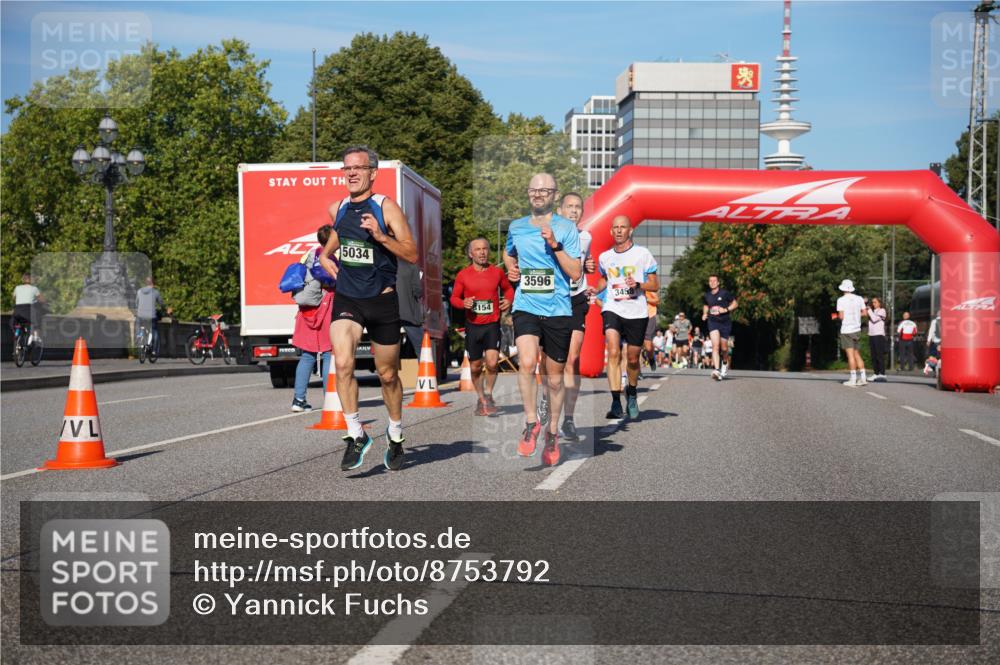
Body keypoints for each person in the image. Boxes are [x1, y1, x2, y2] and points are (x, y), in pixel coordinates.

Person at [318, 145, 418, 473]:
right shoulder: (341, 206)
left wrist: (380, 236)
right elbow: (339, 236)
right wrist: (323, 256)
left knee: (388, 374)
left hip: (382, 300)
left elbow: (411, 253)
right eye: (346, 168)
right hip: (348, 298)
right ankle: (355, 433)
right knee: (343, 362)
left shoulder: (385, 208)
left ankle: (396, 433)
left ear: (372, 173)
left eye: (358, 168)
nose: (351, 173)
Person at [502, 173, 582, 466]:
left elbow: (576, 273)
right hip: (526, 304)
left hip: (559, 308)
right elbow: (508, 253)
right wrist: (512, 269)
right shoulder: (517, 227)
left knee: (555, 379)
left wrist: (556, 245)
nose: (537, 194)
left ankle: (552, 433)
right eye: (533, 190)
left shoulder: (567, 227)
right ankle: (531, 422)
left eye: (544, 190)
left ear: (553, 195)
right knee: (525, 361)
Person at [595, 215, 659, 419]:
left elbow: (655, 284)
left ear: (630, 230)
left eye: (623, 227)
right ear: (611, 232)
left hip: (637, 311)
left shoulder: (642, 254)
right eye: (616, 228)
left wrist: (638, 285)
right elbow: (604, 280)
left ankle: (631, 392)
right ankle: (615, 402)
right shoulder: (605, 257)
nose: (619, 230)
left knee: (632, 358)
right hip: (613, 307)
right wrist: (592, 292)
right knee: (613, 350)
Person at [450, 237, 514, 416]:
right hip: (473, 326)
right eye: (478, 249)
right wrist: (464, 303)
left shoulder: (497, 272)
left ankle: (488, 394)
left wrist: (508, 300)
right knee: (475, 366)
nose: (482, 252)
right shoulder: (463, 275)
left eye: (485, 248)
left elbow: (508, 289)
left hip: (492, 324)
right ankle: (480, 397)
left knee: (493, 363)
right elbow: (454, 298)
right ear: (471, 254)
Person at [552, 192, 594, 442]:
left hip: (576, 299)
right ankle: (549, 403)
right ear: (560, 210)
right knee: (553, 362)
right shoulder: (549, 233)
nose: (574, 211)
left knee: (572, 358)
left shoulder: (586, 237)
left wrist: (589, 266)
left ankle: (569, 418)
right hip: (552, 301)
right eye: (569, 206)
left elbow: (585, 262)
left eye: (578, 207)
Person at [291, 225, 335, 412]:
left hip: (307, 309)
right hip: (327, 308)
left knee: (307, 356)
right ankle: (329, 400)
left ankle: (298, 400)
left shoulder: (307, 255)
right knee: (327, 354)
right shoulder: (332, 258)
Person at [701, 275, 737, 381]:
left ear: (718, 283)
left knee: (724, 348)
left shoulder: (724, 293)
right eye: (710, 281)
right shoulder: (707, 295)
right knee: (715, 346)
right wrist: (704, 313)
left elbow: (735, 303)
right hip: (713, 322)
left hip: (725, 323)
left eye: (714, 281)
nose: (712, 282)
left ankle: (725, 363)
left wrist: (725, 310)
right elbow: (706, 305)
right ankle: (717, 370)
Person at [836, 279, 868, 387]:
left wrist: (836, 316)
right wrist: (855, 314)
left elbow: (841, 316)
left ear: (843, 288)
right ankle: (863, 378)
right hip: (857, 329)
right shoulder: (859, 299)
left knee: (850, 355)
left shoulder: (841, 300)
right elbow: (864, 312)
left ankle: (853, 379)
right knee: (856, 354)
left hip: (846, 330)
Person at [135, 277, 170, 356]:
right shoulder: (156, 292)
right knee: (154, 331)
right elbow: (161, 304)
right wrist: (165, 310)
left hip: (140, 315)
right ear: (153, 284)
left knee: (138, 323)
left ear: (146, 283)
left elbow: (136, 303)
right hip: (151, 316)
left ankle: (139, 336)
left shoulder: (139, 291)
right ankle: (154, 350)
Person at [396, 259, 425, 358]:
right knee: (421, 348)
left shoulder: (382, 263)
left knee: (388, 348)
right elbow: (418, 291)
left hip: (387, 314)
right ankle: (424, 373)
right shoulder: (411, 266)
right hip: (408, 314)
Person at [866, 296, 888, 381]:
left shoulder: (882, 311)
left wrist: (869, 310)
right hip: (871, 335)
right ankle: (876, 373)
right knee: (873, 356)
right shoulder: (872, 311)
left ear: (879, 303)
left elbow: (874, 319)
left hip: (879, 335)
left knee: (879, 355)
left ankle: (882, 373)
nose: (873, 304)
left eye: (875, 302)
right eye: (872, 302)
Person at [925, 310, 942, 376]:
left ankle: (935, 371)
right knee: (941, 358)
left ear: (937, 315)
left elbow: (931, 331)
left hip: (936, 342)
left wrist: (928, 340)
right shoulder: (946, 320)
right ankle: (940, 371)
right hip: (944, 343)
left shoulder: (934, 321)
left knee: (933, 358)